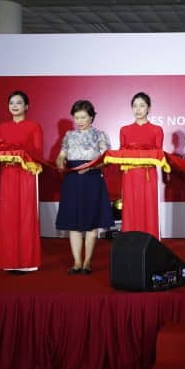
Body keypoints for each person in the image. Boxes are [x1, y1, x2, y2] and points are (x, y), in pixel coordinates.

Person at [55, 100, 114, 275]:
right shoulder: (69, 135)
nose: (79, 121)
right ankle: (77, 262)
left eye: (83, 117)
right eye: (76, 117)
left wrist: (91, 167)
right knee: (73, 223)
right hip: (72, 180)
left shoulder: (100, 135)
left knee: (91, 222)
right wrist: (60, 162)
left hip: (92, 180)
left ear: (91, 117)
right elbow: (61, 155)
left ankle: (87, 261)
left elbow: (107, 160)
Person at [0, 90, 43, 273]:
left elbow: (38, 151)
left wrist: (21, 154)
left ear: (26, 106)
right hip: (7, 173)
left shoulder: (34, 126)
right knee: (7, 215)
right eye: (11, 103)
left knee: (26, 214)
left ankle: (28, 262)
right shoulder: (2, 127)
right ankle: (9, 260)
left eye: (19, 103)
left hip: (27, 173)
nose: (14, 106)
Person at [119, 92, 164, 239]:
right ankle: (130, 241)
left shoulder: (156, 129)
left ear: (148, 108)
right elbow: (121, 153)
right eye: (135, 106)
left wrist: (139, 152)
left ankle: (150, 241)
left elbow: (158, 153)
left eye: (142, 106)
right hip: (129, 174)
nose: (138, 109)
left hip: (148, 174)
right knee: (130, 207)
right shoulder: (124, 130)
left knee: (149, 207)